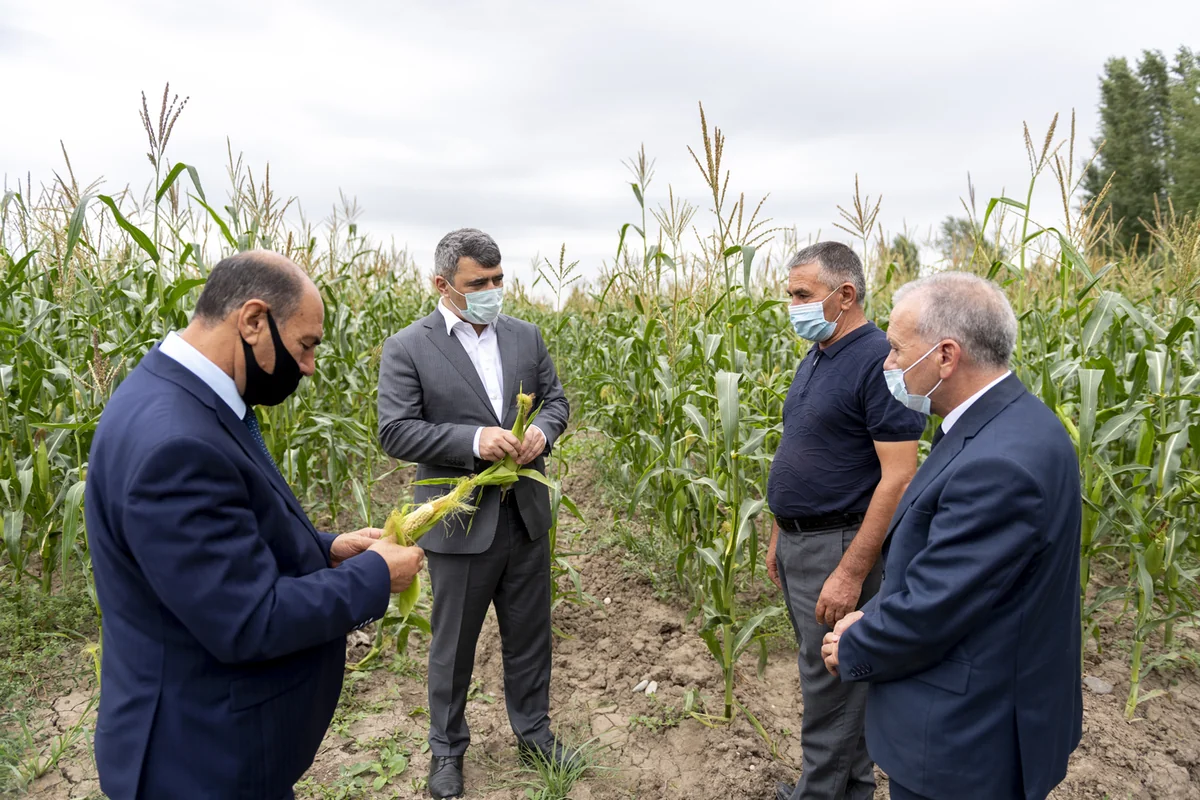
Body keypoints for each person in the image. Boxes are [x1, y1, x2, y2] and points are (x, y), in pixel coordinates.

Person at [85, 250, 425, 800]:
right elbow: (246, 620)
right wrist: (372, 577)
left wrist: (329, 548)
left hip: (213, 747)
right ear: (252, 320)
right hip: (199, 762)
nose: (310, 366)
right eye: (306, 345)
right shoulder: (178, 443)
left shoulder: (172, 396)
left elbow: (212, 553)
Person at [821, 272, 1083, 800]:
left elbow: (937, 606)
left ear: (945, 356)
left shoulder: (1000, 464)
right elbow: (963, 573)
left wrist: (855, 641)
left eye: (896, 349)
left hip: (964, 741)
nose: (887, 364)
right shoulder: (1013, 423)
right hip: (983, 716)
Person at [377, 228, 571, 799]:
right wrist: (474, 440)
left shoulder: (525, 337)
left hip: (525, 516)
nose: (492, 290)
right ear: (443, 285)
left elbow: (556, 401)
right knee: (454, 643)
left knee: (531, 635)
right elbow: (395, 429)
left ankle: (534, 732)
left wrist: (542, 430)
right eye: (477, 283)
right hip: (459, 523)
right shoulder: (409, 347)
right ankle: (446, 752)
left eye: (497, 279)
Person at [764, 241, 926, 800]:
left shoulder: (881, 359)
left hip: (840, 545)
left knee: (830, 682)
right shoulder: (819, 353)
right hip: (802, 543)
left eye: (802, 295)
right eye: (789, 294)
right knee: (832, 676)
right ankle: (846, 788)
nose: (792, 306)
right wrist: (779, 532)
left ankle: (820, 794)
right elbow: (805, 448)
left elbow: (899, 474)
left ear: (845, 295)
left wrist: (852, 569)